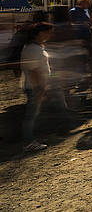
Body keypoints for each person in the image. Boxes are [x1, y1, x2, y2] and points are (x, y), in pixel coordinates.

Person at [20, 22, 54, 152]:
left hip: (35, 86)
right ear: (41, 33)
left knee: (33, 114)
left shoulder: (34, 47)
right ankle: (28, 141)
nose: (51, 35)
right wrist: (40, 88)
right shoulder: (33, 49)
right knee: (31, 115)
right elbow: (34, 71)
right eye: (49, 32)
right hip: (34, 87)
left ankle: (31, 138)